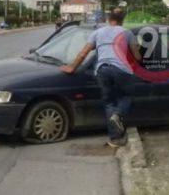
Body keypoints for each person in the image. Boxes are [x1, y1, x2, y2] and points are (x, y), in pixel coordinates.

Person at [60, 8, 141, 147]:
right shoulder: (127, 33)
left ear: (109, 20)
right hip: (122, 70)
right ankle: (118, 113)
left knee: (109, 102)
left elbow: (82, 54)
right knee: (126, 96)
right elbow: (137, 57)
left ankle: (114, 139)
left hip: (102, 70)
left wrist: (71, 67)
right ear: (122, 21)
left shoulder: (98, 33)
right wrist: (138, 52)